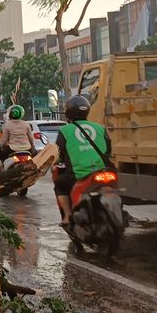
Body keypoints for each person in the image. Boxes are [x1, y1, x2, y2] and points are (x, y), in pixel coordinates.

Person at [54, 96, 112, 227]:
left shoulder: (65, 130)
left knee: (59, 184)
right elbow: (108, 150)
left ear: (68, 112)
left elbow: (59, 152)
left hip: (78, 175)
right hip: (102, 173)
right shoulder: (100, 128)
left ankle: (68, 217)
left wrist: (57, 161)